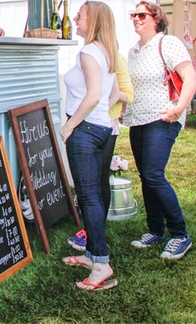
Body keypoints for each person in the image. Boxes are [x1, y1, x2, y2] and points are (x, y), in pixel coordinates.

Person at [122, 1, 196, 260]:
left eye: (141, 15)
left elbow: (191, 78)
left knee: (154, 175)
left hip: (163, 117)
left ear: (156, 18)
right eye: (133, 15)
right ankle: (156, 230)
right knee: (146, 176)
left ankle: (180, 234)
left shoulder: (169, 43)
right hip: (138, 119)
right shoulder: (133, 51)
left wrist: (178, 109)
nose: (135, 18)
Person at [59, 1, 120, 291]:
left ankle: (101, 264)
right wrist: (97, 120)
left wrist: (71, 125)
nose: (75, 18)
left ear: (93, 20)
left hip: (84, 131)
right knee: (93, 194)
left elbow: (94, 95)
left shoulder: (88, 52)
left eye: (80, 15)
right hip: (101, 129)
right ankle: (91, 254)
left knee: (89, 197)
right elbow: (115, 92)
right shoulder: (107, 50)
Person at [67, 50, 132, 253]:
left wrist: (101, 107)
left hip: (100, 124)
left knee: (98, 180)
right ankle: (94, 235)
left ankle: (95, 235)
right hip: (93, 123)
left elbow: (127, 94)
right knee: (93, 184)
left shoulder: (112, 56)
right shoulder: (94, 54)